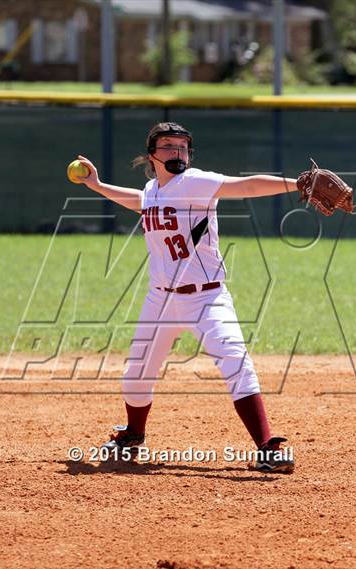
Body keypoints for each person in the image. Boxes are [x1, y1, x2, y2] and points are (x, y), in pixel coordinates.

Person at [76, 122, 299, 473]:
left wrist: (296, 184)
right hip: (160, 300)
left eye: (182, 147)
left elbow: (244, 186)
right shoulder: (153, 189)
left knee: (234, 360)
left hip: (206, 298)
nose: (177, 152)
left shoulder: (194, 181)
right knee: (137, 374)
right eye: (168, 146)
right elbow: (142, 203)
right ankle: (133, 435)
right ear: (152, 154)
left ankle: (267, 446)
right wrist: (97, 185)